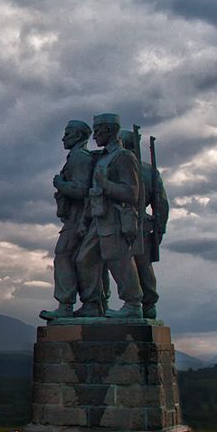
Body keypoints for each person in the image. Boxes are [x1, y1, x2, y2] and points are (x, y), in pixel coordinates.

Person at [73, 113, 144, 318]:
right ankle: (92, 304)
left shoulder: (123, 157)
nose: (94, 136)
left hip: (116, 217)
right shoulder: (103, 158)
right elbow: (92, 192)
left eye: (99, 131)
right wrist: (85, 221)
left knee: (119, 261)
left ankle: (133, 304)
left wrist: (107, 185)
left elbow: (132, 193)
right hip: (98, 217)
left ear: (111, 131)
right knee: (84, 259)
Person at [40, 120, 94, 320]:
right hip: (76, 217)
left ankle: (66, 305)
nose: (63, 138)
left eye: (67, 134)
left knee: (63, 255)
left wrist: (60, 184)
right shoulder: (76, 157)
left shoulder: (79, 158)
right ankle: (90, 303)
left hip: (78, 217)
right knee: (80, 259)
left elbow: (81, 190)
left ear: (79, 136)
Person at [120, 130, 169, 319]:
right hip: (139, 223)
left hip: (133, 223)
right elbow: (162, 204)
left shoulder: (137, 169)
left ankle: (147, 305)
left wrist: (159, 228)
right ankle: (148, 305)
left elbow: (161, 202)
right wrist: (160, 227)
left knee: (140, 264)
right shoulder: (149, 170)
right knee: (141, 265)